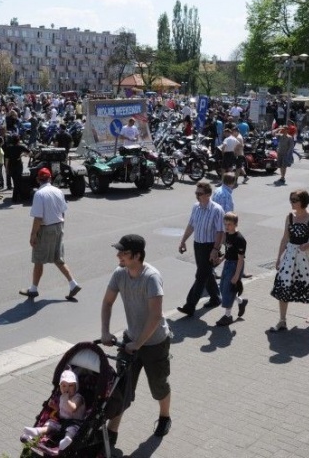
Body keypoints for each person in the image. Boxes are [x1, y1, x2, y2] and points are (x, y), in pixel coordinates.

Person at [101, 234, 172, 447]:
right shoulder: (119, 273)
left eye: (123, 252)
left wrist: (138, 344)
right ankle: (112, 433)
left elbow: (155, 316)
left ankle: (164, 417)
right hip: (130, 339)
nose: (118, 255)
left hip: (155, 342)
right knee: (121, 388)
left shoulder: (151, 277)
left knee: (158, 385)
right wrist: (105, 331)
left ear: (137, 256)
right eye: (119, 251)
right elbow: (107, 302)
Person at [270, 189, 309, 330]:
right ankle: (282, 320)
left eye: (295, 200)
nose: (292, 202)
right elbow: (285, 238)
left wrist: (308, 245)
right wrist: (278, 259)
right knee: (284, 285)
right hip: (290, 257)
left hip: (306, 258)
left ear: (303, 201)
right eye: (291, 199)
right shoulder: (289, 217)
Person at [20, 168, 81, 300]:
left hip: (45, 229)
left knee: (38, 259)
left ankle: (33, 289)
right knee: (58, 258)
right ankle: (73, 284)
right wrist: (61, 226)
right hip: (58, 226)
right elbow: (63, 211)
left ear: (38, 180)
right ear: (50, 178)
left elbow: (38, 218)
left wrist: (33, 235)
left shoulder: (39, 194)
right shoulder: (58, 191)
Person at [176, 181, 225, 317]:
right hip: (198, 245)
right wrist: (183, 241)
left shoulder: (217, 209)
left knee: (201, 275)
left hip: (210, 246)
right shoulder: (196, 207)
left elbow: (220, 231)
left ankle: (189, 306)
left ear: (208, 194)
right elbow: (191, 225)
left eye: (200, 193)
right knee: (207, 273)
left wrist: (215, 249)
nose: (197, 196)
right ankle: (215, 298)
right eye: (196, 193)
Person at [22, 369, 86, 451]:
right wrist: (54, 406)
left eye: (70, 385)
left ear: (76, 386)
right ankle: (38, 431)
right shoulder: (62, 397)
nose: (67, 388)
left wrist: (66, 399)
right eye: (64, 386)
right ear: (60, 387)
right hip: (62, 421)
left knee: (72, 429)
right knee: (51, 423)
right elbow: (62, 410)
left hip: (75, 422)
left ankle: (67, 440)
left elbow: (72, 408)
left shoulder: (78, 398)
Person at [215, 212, 248, 327]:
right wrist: (222, 259)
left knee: (228, 290)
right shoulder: (228, 234)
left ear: (235, 224)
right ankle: (241, 301)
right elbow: (228, 251)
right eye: (225, 224)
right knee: (223, 287)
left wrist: (236, 275)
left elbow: (240, 259)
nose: (227, 227)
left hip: (235, 265)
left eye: (229, 224)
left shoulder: (240, 239)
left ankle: (228, 316)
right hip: (228, 263)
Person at [4, 134, 30, 203]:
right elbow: (29, 152)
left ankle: (19, 196)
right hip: (18, 167)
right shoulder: (20, 147)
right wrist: (22, 155)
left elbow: (7, 159)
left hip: (11, 167)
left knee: (16, 182)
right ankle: (15, 197)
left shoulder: (8, 148)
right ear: (18, 140)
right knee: (18, 182)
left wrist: (6, 168)